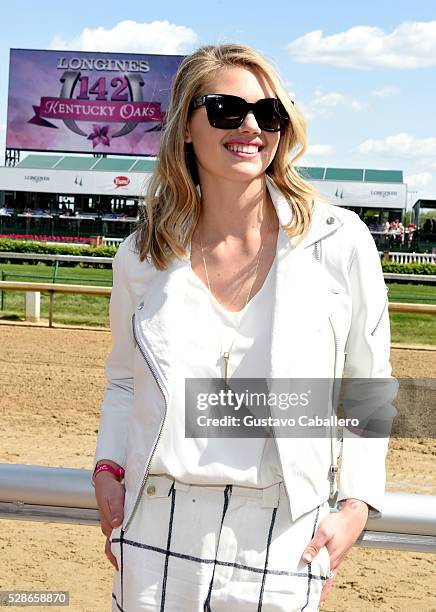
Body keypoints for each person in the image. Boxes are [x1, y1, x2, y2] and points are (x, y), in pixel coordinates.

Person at [92, 43, 397, 611]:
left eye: (269, 113)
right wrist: (107, 469)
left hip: (287, 536)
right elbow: (124, 381)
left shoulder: (340, 241)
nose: (251, 126)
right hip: (156, 525)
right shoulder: (142, 255)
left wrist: (356, 505)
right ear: (185, 127)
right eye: (227, 110)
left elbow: (367, 382)